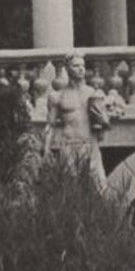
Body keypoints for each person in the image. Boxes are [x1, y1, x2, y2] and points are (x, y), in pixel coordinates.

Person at [43, 53, 109, 191]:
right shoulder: (57, 96)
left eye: (83, 66)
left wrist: (104, 121)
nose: (81, 69)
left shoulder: (93, 94)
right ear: (67, 68)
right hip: (69, 146)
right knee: (70, 192)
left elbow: (101, 133)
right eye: (76, 66)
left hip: (90, 145)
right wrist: (46, 150)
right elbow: (50, 125)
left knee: (101, 189)